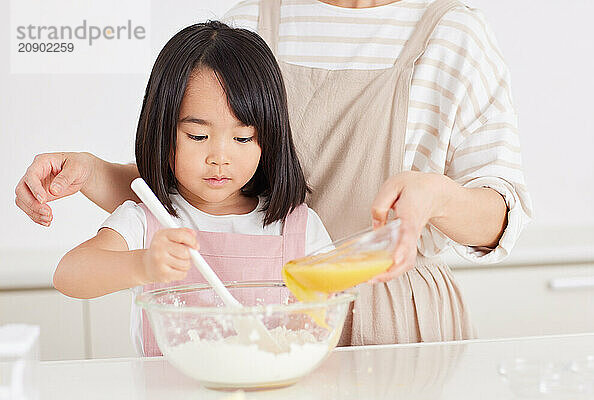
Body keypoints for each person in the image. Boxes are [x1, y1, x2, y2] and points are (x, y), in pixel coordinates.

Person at [16, 0, 533, 346]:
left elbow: (501, 214)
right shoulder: (252, 21)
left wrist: (437, 198)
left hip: (397, 320)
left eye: (245, 137)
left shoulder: (455, 33)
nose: (225, 150)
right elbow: (187, 188)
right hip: (267, 322)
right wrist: (89, 171)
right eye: (201, 136)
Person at [52, 21, 332, 356]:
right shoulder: (149, 221)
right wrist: (143, 265)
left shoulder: (297, 227)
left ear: (269, 140)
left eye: (243, 138)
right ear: (162, 132)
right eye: (198, 136)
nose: (219, 158)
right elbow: (68, 274)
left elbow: (330, 308)